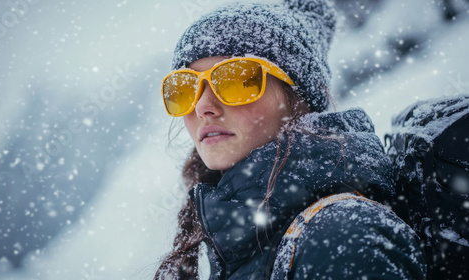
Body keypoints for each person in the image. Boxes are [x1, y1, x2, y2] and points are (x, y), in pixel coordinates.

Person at [155, 0, 427, 279]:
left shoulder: (340, 236)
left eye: (236, 80)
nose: (202, 107)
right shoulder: (248, 243)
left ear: (298, 100)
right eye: (185, 88)